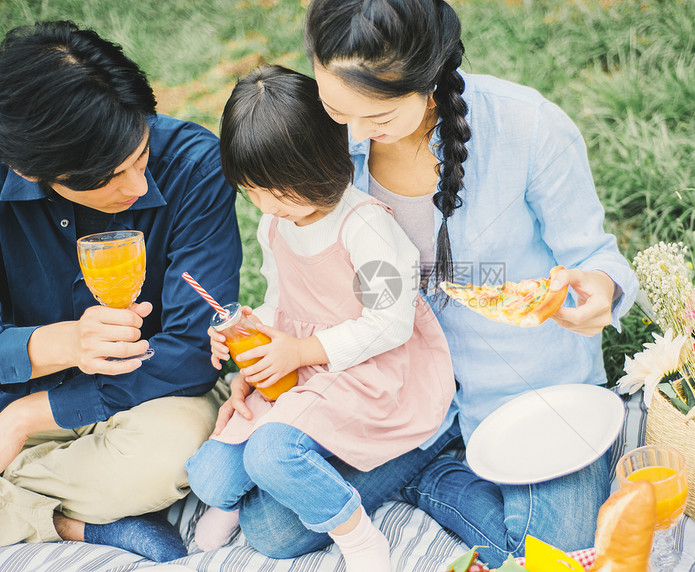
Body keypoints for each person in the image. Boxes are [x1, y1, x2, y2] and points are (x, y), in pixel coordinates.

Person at [225, 0, 640, 567]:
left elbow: (596, 257)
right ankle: (434, 466)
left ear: (431, 76)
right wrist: (272, 348)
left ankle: (429, 479)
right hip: (392, 392)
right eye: (333, 106)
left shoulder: (528, 125)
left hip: (526, 390)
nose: (348, 131)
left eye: (377, 117)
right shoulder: (322, 140)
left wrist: (599, 292)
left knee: (550, 551)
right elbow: (302, 273)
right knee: (272, 530)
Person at [184, 66, 456, 572]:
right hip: (307, 372)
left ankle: (358, 538)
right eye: (253, 191)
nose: (266, 205)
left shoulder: (366, 227)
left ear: (323, 162)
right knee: (209, 477)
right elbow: (283, 301)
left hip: (370, 372)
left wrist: (302, 351)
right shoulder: (276, 224)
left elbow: (389, 323)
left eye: (279, 191)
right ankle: (247, 492)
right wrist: (249, 329)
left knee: (269, 453)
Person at [0, 21, 242, 562]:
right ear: (28, 169)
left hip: (149, 400)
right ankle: (74, 524)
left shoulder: (192, 166)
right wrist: (59, 345)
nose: (137, 187)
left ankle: (28, 505)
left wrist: (27, 417)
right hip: (11, 394)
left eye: (139, 155)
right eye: (108, 176)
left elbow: (189, 351)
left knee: (175, 457)